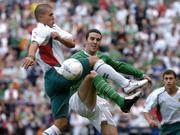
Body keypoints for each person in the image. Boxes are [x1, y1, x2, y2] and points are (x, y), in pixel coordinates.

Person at [22, 4, 149, 135]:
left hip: (56, 85)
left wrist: (58, 37)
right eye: (50, 15)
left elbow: (71, 43)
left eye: (53, 14)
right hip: (56, 74)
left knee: (61, 124)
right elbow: (34, 43)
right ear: (41, 17)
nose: (53, 16)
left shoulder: (53, 28)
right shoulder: (40, 29)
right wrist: (31, 56)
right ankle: (126, 85)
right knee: (93, 62)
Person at [69, 29, 152, 134]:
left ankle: (124, 95)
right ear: (86, 40)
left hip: (97, 102)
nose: (95, 42)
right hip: (79, 99)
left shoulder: (103, 57)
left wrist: (141, 74)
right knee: (92, 75)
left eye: (98, 40)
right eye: (92, 39)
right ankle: (122, 98)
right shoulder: (76, 58)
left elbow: (120, 66)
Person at [143, 69, 180, 135]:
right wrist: (149, 120)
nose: (168, 81)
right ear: (163, 80)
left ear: (176, 80)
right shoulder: (156, 94)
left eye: (171, 78)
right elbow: (145, 110)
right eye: (166, 79)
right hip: (166, 128)